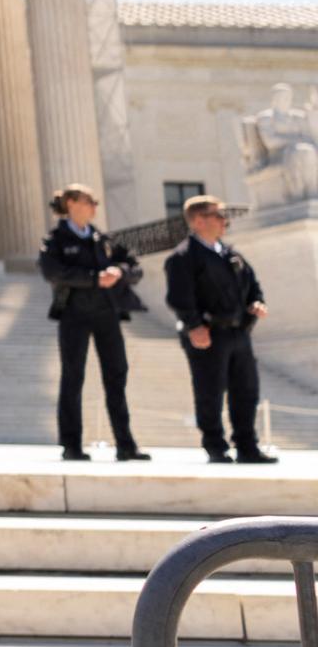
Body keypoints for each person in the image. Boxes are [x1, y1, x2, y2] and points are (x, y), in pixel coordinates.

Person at [37, 183, 149, 462]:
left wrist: (117, 271)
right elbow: (53, 272)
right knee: (73, 377)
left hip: (107, 314)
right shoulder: (56, 240)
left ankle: (126, 444)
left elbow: (134, 267)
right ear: (72, 203)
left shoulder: (104, 240)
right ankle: (71, 445)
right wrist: (92, 278)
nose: (95, 206)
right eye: (90, 200)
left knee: (116, 377)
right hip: (74, 314)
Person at [165, 195, 277, 465]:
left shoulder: (231, 254)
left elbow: (253, 285)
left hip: (238, 332)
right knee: (210, 391)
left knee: (246, 391)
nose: (224, 221)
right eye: (218, 215)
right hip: (208, 333)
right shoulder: (183, 257)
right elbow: (180, 297)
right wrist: (194, 326)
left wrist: (256, 303)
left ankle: (247, 447)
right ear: (199, 220)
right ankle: (215, 447)